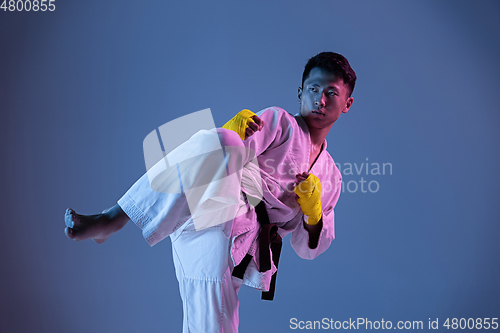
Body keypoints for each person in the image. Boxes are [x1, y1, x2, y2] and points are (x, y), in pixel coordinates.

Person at [64, 52, 356, 332]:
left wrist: (313, 213)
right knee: (226, 140)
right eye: (313, 89)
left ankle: (112, 221)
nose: (319, 99)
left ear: (347, 103)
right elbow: (219, 155)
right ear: (299, 92)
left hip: (238, 248)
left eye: (331, 93)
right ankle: (114, 217)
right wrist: (230, 131)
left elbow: (307, 249)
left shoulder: (331, 177)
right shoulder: (280, 123)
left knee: (212, 323)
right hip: (211, 206)